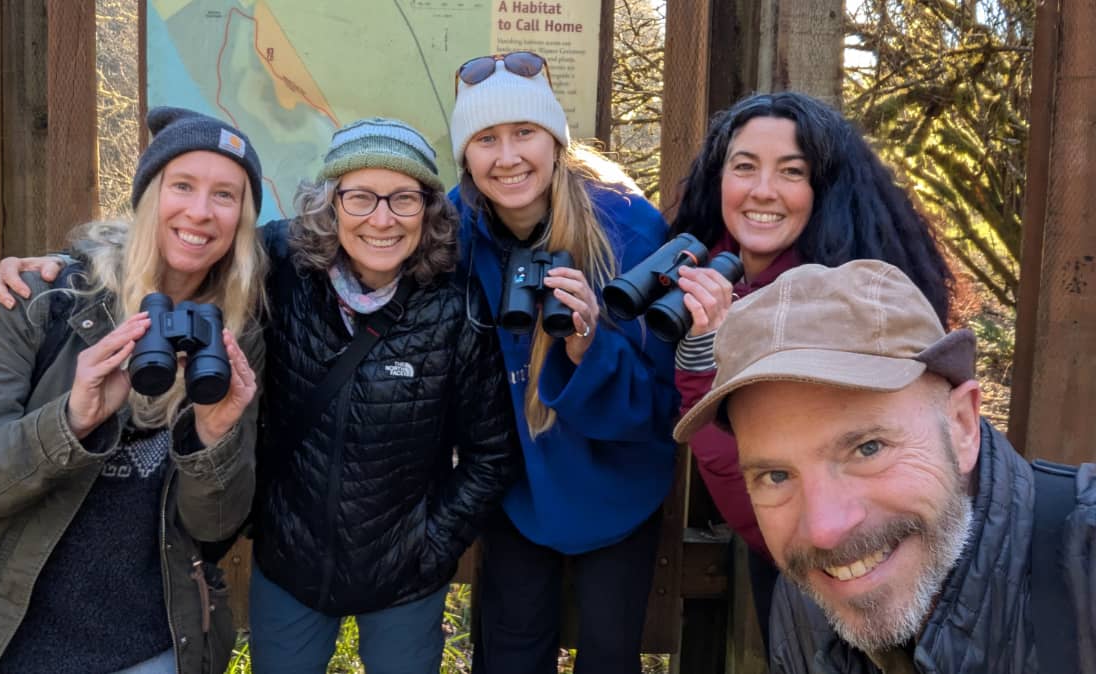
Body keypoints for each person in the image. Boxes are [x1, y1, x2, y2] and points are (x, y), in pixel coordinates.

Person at [0, 117, 521, 674]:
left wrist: (431, 545)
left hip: (406, 575)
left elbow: (491, 453)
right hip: (290, 564)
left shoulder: (458, 307)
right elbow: (182, 242)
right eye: (359, 197)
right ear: (330, 206)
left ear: (429, 211)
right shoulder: (280, 266)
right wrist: (59, 267)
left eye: (403, 199)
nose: (381, 219)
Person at [0, 107, 267, 673]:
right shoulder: (40, 299)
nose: (200, 211)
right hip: (0, 645)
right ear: (148, 195)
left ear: (243, 219)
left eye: (225, 195)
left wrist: (212, 443)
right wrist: (69, 422)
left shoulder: (234, 335)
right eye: (183, 186)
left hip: (148, 647)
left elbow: (212, 533)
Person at [673, 259, 1096, 674]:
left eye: (868, 448)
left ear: (962, 426)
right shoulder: (812, 595)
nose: (824, 530)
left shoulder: (1084, 566)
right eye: (776, 476)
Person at [668, 91, 955, 641]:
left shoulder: (852, 306)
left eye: (791, 172)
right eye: (744, 167)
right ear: (717, 179)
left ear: (823, 189)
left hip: (870, 557)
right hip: (783, 554)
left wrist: (705, 352)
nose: (763, 190)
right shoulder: (702, 271)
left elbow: (766, 477)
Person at [448, 51, 679, 672]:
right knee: (510, 654)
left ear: (555, 141)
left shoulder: (627, 227)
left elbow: (659, 404)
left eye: (524, 132)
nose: (508, 157)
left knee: (609, 654)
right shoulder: (455, 232)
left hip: (620, 480)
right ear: (466, 156)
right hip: (515, 481)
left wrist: (588, 349)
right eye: (486, 139)